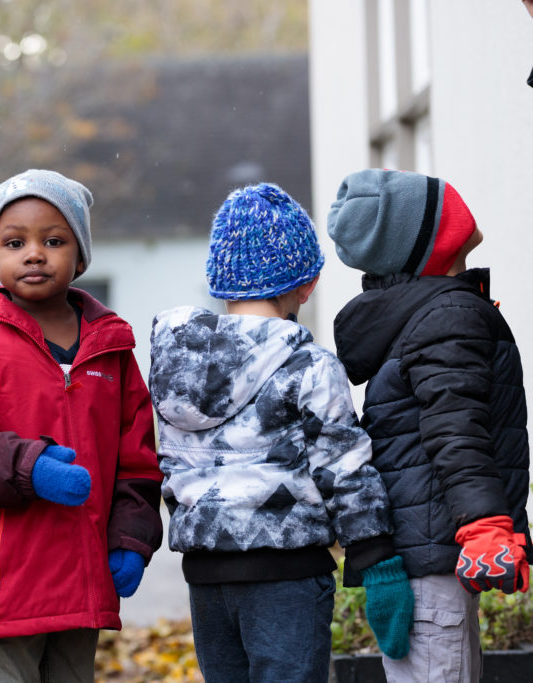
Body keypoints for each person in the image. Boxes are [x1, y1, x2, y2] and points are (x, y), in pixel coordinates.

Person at [149, 183, 411, 683]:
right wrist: (376, 560)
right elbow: (344, 468)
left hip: (205, 577)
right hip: (286, 576)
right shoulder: (308, 365)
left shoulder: (173, 365)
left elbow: (172, 459)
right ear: (306, 284)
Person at [0, 168, 164, 682]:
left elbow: (136, 459)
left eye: (53, 240)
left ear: (80, 256)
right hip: (5, 581)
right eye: (15, 242)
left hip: (85, 572)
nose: (34, 253)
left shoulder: (113, 351)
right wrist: (30, 468)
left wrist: (132, 538)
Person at [327, 169, 530, 682]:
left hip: (428, 553)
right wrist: (485, 526)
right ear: (423, 243)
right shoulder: (447, 316)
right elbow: (455, 429)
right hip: (439, 558)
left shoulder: (430, 312)